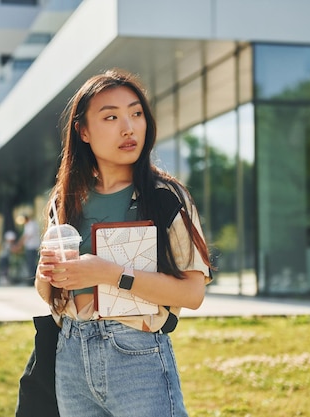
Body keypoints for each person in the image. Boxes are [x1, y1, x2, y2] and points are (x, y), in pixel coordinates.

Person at [32, 68, 212, 416]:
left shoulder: (165, 197)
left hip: (137, 355)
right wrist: (46, 275)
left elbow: (192, 294)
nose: (128, 127)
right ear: (83, 131)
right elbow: (49, 294)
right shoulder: (64, 199)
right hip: (71, 353)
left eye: (136, 113)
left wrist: (110, 274)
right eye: (111, 117)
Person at [16, 214, 41, 284]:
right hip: (30, 246)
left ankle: (32, 280)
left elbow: (27, 236)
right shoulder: (28, 225)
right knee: (31, 264)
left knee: (31, 264)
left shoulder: (31, 225)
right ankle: (32, 279)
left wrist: (20, 245)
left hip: (32, 246)